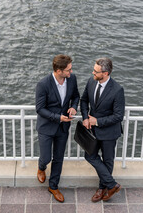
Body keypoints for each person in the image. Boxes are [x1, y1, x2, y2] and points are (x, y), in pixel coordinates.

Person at [35, 54, 80, 202]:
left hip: (63, 127)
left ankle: (53, 186)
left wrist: (73, 108)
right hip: (46, 127)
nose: (71, 72)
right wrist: (58, 117)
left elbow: (76, 97)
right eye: (68, 70)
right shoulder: (43, 84)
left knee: (59, 158)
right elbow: (40, 109)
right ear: (59, 70)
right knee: (46, 157)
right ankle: (41, 167)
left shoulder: (71, 80)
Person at [80, 57, 125, 202]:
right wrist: (85, 117)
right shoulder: (91, 81)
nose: (92, 72)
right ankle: (112, 184)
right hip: (93, 130)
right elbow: (84, 100)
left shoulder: (117, 90)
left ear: (105, 73)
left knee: (108, 160)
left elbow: (118, 116)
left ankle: (102, 188)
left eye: (96, 71)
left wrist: (97, 121)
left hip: (109, 132)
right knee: (89, 155)